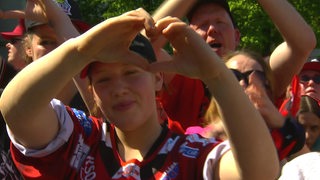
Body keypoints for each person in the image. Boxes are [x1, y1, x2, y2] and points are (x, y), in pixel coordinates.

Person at [0, 7, 280, 179]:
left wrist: (217, 75)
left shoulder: (193, 155)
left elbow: (260, 173)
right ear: (92, 93)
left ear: (158, 79)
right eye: (104, 79)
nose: (119, 88)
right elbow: (17, 111)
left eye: (131, 73)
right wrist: (80, 50)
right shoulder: (79, 140)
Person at [157, 0, 316, 131]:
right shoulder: (181, 80)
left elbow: (302, 44)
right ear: (187, 39)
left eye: (220, 22)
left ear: (236, 36)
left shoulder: (257, 75)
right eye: (202, 25)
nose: (212, 29)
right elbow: (139, 49)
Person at [21, 0, 91, 114]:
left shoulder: (103, 100)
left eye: (68, 40)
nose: (60, 49)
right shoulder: (8, 103)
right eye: (47, 42)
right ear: (28, 48)